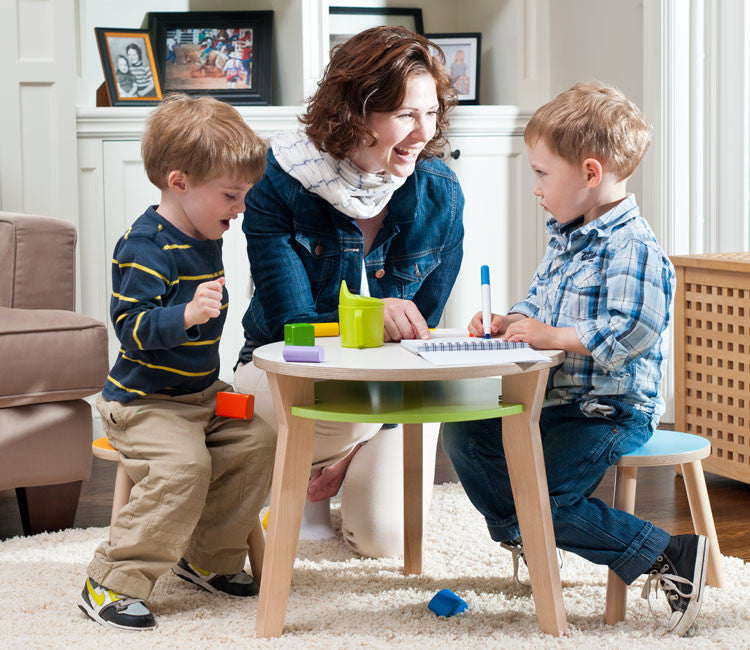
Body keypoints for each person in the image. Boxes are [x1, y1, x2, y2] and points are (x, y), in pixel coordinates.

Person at [441, 80, 708, 636]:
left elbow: (633, 329)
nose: (535, 187)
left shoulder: (632, 246)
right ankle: (529, 532)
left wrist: (554, 337)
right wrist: (511, 322)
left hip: (607, 410)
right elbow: (540, 305)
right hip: (557, 402)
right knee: (465, 431)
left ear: (590, 173)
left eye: (542, 174)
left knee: (541, 500)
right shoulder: (567, 237)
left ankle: (670, 554)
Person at [234, 26, 464, 558]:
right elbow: (294, 327)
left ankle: (338, 458)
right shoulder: (279, 178)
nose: (423, 132)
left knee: (385, 539)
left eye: (430, 113)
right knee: (344, 397)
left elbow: (417, 339)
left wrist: (362, 434)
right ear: (355, 112)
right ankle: (311, 463)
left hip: (387, 389)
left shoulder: (441, 195)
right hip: (288, 371)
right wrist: (369, 312)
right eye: (406, 115)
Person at [78, 94, 274, 631]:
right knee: (183, 469)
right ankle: (111, 581)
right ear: (180, 181)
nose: (240, 208)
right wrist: (185, 314)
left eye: (244, 195)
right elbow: (132, 331)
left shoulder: (204, 233)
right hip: (144, 403)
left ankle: (208, 560)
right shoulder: (144, 247)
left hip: (197, 396)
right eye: (230, 195)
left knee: (258, 441)